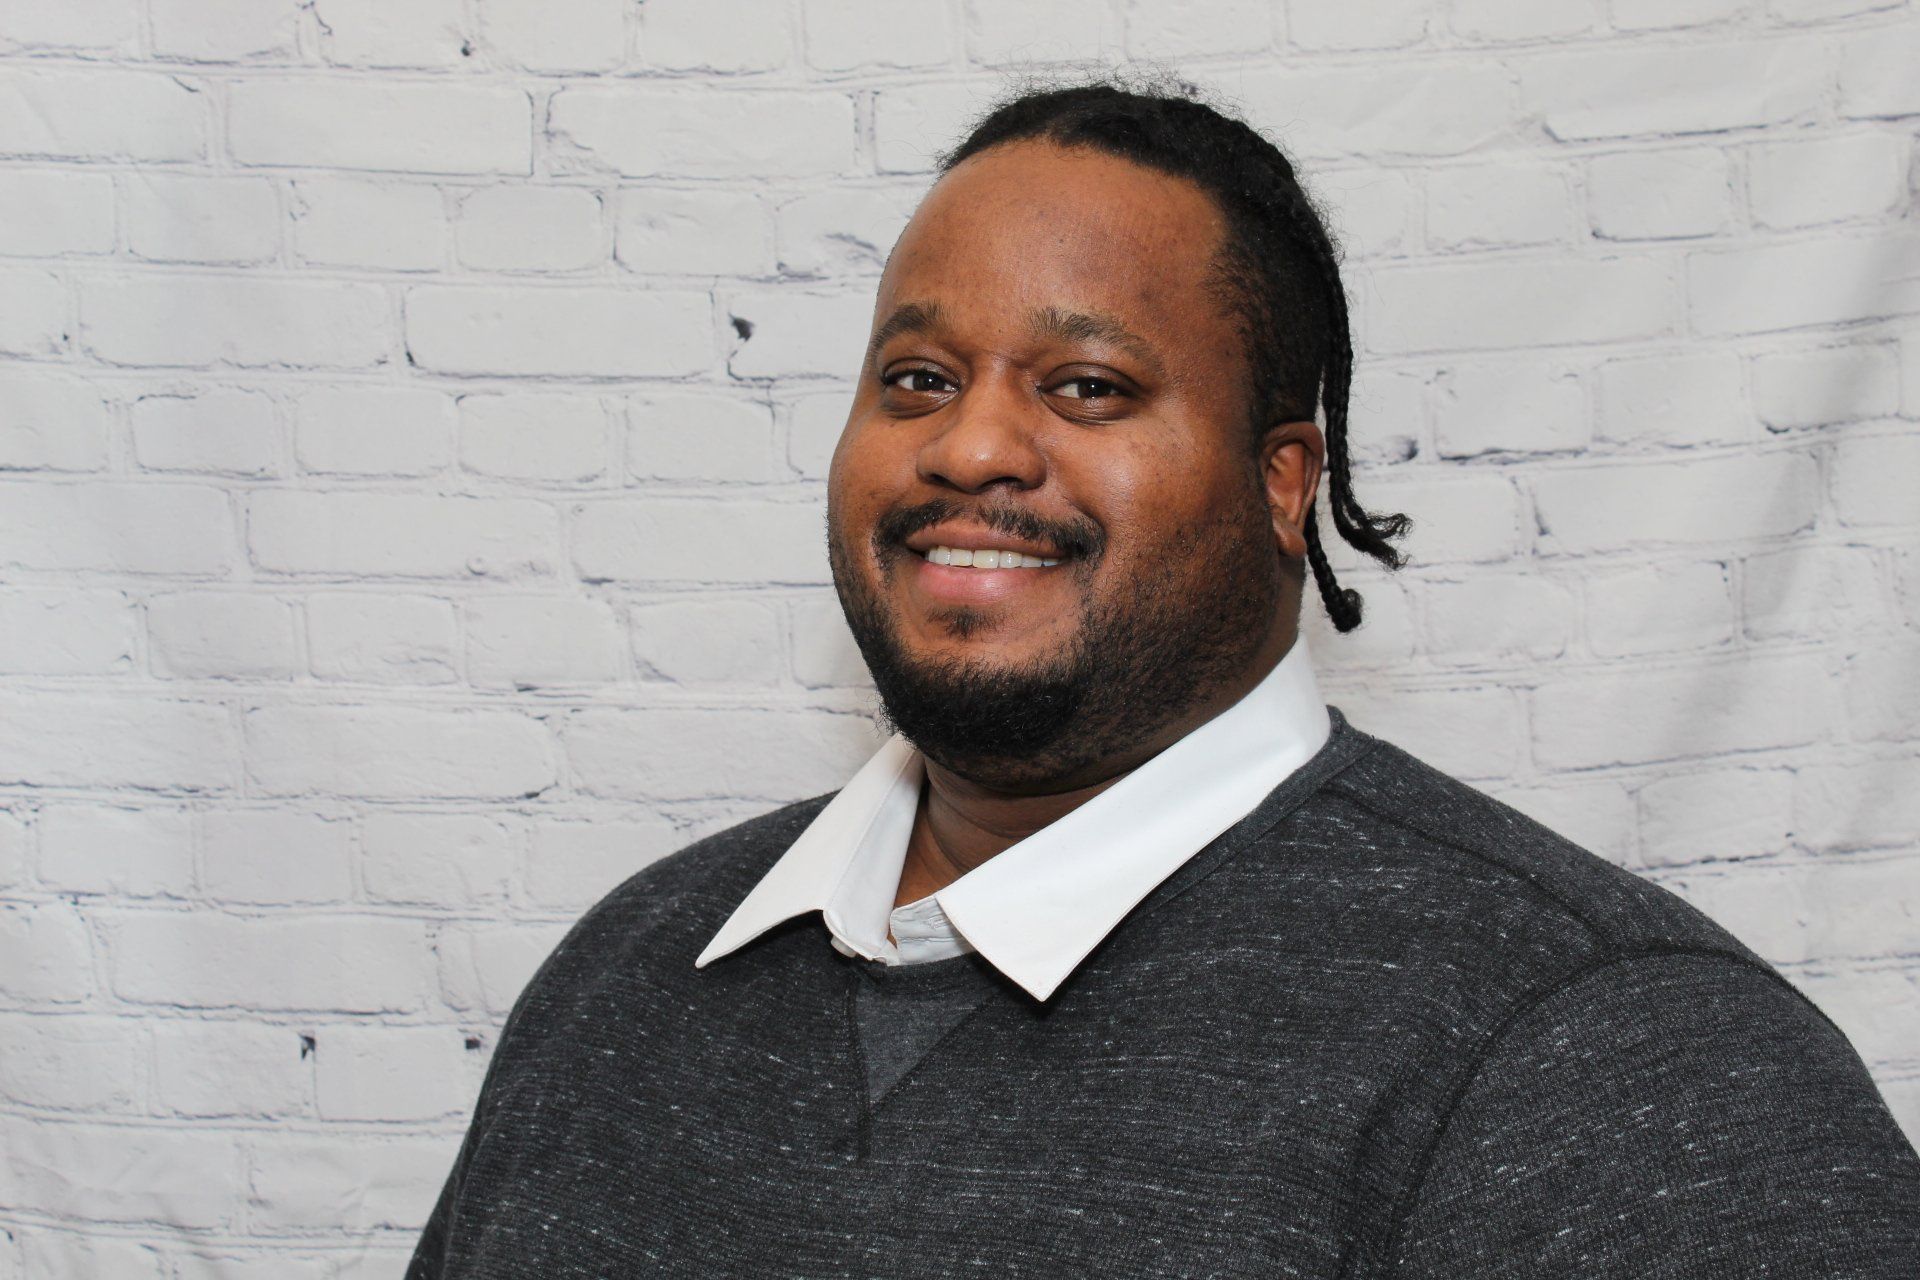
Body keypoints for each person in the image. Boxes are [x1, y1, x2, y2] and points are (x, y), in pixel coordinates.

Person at [408, 81, 1920, 1278]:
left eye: (1088, 388)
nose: (972, 446)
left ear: (1283, 482)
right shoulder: (631, 976)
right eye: (918, 380)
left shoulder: (1614, 1060)